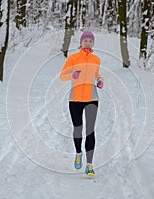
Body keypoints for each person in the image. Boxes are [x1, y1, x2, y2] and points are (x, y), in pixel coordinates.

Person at [60, 31, 103, 177]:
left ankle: (89, 165)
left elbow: (97, 74)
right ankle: (78, 153)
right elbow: (62, 76)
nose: (88, 43)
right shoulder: (73, 58)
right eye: (86, 40)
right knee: (78, 129)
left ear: (93, 43)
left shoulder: (96, 59)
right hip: (75, 100)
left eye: (90, 40)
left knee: (90, 131)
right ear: (81, 42)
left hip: (92, 99)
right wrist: (72, 75)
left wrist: (100, 81)